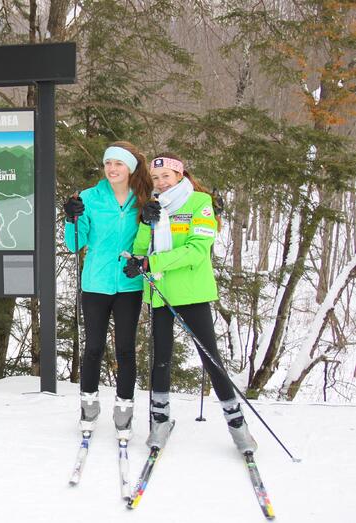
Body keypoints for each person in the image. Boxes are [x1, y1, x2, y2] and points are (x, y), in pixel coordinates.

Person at [124, 153, 257, 453]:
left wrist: (152, 262)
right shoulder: (153, 205)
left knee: (211, 359)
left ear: (179, 176)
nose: (161, 182)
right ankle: (160, 423)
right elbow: (140, 249)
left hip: (192, 292)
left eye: (166, 176)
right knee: (160, 359)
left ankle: (238, 427)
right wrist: (145, 224)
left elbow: (197, 250)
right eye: (155, 178)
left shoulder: (200, 203)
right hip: (160, 292)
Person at [63, 141, 153, 439]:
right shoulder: (89, 197)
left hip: (129, 284)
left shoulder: (143, 200)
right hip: (96, 284)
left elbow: (151, 241)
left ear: (131, 168)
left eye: (118, 163)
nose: (112, 169)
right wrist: (71, 219)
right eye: (108, 163)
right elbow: (74, 244)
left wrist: (152, 225)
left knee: (126, 349)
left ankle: (124, 412)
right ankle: (88, 409)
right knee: (93, 348)